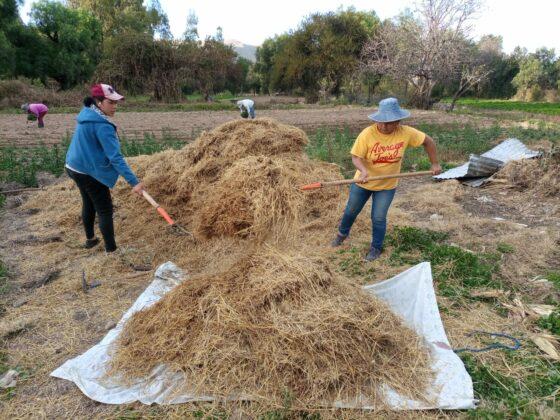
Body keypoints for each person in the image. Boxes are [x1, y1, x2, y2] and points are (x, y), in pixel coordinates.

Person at [331, 97, 442, 261]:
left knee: (378, 217)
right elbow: (355, 157)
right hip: (363, 182)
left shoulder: (406, 133)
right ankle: (341, 235)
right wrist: (362, 171)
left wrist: (435, 164)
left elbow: (429, 142)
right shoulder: (367, 133)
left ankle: (375, 248)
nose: (383, 126)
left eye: (389, 122)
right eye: (381, 121)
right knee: (351, 210)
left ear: (398, 121)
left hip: (387, 185)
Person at [65, 83, 146, 253]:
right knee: (104, 209)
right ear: (99, 102)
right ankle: (112, 251)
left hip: (73, 166)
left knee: (88, 202)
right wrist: (134, 182)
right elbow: (115, 158)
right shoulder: (102, 125)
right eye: (111, 102)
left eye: (116, 103)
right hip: (88, 171)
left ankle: (90, 240)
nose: (115, 107)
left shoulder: (86, 114)